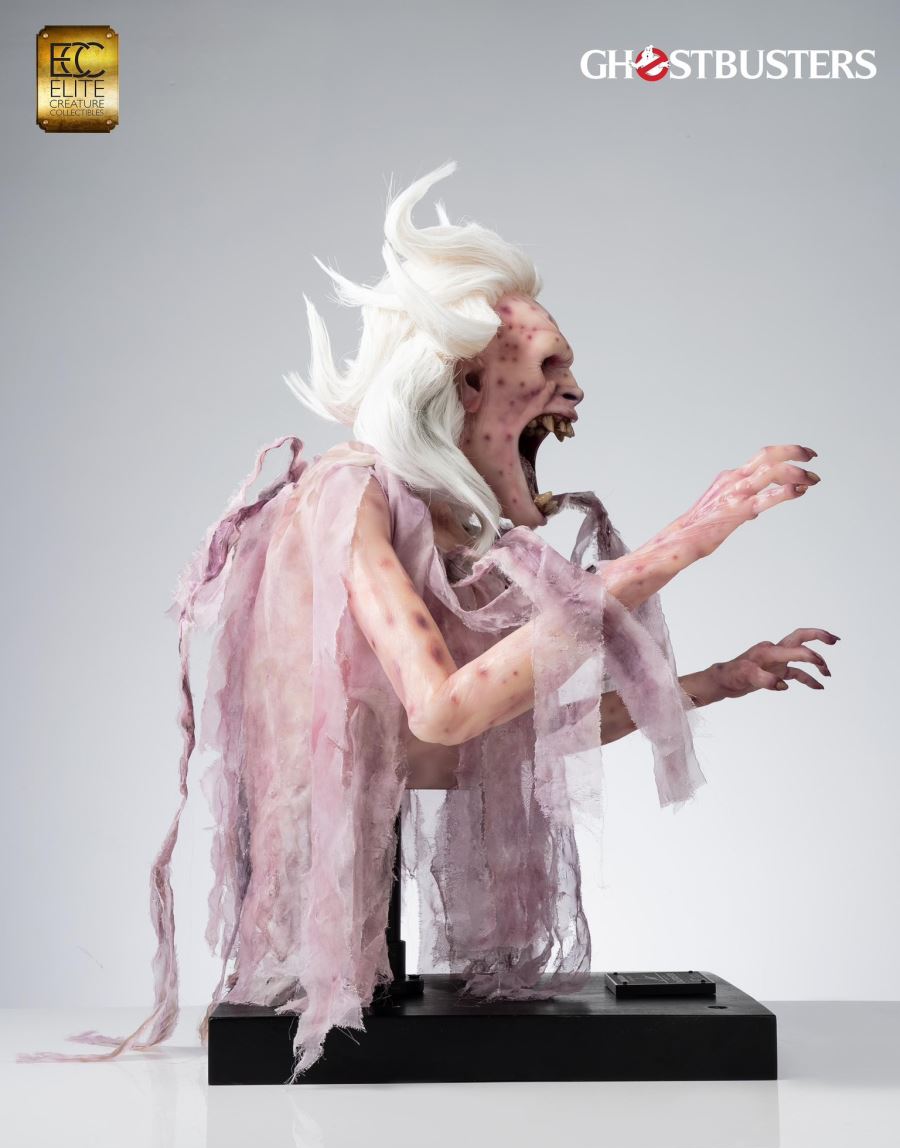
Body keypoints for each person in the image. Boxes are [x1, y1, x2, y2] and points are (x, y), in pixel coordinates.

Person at [19, 162, 837, 1082]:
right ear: (466, 385)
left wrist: (718, 681)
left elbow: (501, 735)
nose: (574, 391)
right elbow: (444, 713)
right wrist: (677, 545)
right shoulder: (348, 496)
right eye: (550, 365)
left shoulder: (435, 535)